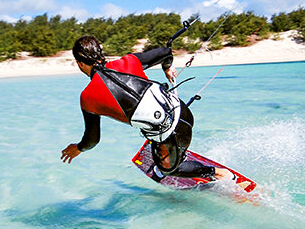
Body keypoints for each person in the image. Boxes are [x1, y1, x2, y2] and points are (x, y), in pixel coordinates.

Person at [61, 35, 230, 180]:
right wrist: (167, 67)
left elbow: (92, 140)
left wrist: (78, 148)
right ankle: (167, 150)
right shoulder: (128, 62)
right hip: (183, 111)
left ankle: (218, 173)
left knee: (168, 169)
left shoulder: (88, 97)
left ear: (79, 63)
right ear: (100, 53)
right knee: (151, 123)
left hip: (176, 133)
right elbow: (165, 52)